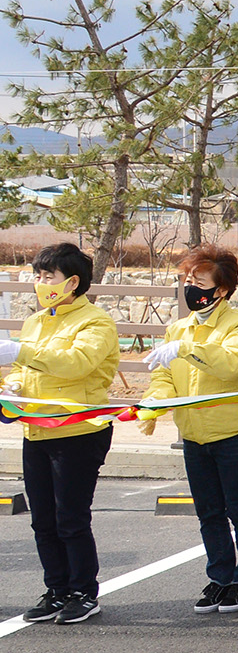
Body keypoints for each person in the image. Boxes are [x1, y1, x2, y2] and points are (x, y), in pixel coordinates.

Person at [145, 246, 238, 615]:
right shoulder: (178, 328)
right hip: (193, 436)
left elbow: (230, 365)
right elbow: (164, 374)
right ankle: (219, 576)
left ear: (223, 289)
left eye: (199, 281)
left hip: (234, 434)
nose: (190, 287)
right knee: (208, 512)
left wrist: (186, 348)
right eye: (187, 280)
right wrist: (156, 402)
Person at [3, 243, 119, 624]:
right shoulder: (37, 321)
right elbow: (28, 371)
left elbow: (75, 365)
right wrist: (15, 385)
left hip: (78, 431)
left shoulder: (95, 322)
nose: (40, 283)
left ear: (72, 281)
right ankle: (56, 589)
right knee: (42, 518)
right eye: (37, 276)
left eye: (47, 276)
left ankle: (84, 592)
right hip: (37, 429)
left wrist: (20, 354)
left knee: (70, 516)